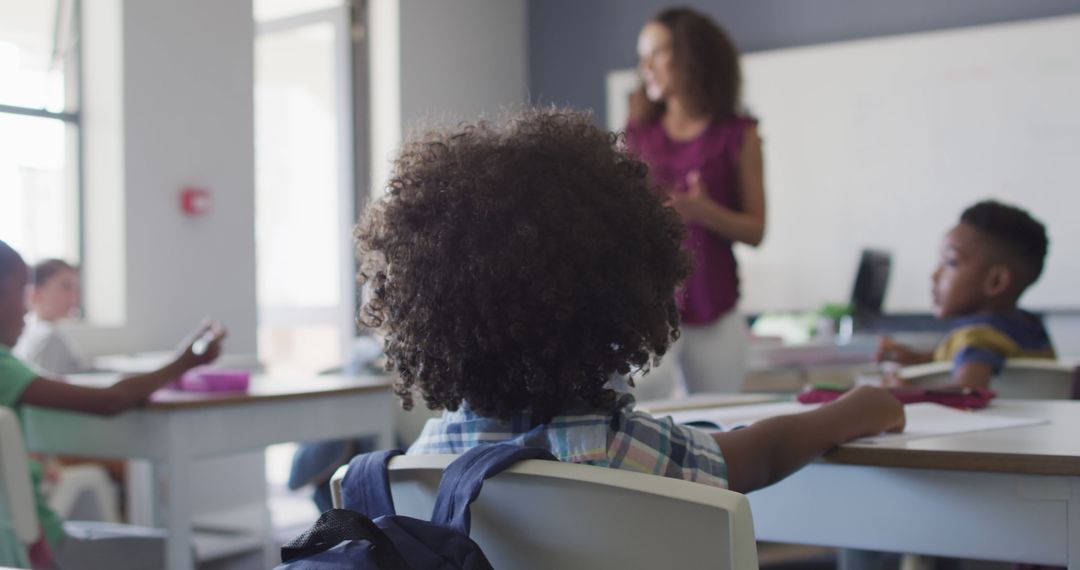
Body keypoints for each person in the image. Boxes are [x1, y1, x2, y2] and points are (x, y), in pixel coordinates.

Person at [355, 108, 903, 495]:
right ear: (619, 293)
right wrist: (854, 408)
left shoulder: (423, 457)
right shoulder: (613, 450)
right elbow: (760, 454)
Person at [0, 239, 225, 569]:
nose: (25, 308)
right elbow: (110, 401)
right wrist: (185, 361)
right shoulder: (5, 367)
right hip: (36, 549)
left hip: (15, 545)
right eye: (21, 291)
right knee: (178, 552)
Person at [625, 7, 766, 399]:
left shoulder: (739, 135)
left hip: (714, 305)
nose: (645, 67)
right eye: (641, 57)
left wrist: (704, 212)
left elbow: (756, 230)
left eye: (655, 54)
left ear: (689, 53)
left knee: (717, 421)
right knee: (640, 411)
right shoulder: (638, 134)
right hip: (649, 305)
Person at [875, 200, 1054, 389]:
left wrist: (907, 392)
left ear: (996, 281)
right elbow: (972, 358)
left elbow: (968, 393)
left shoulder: (976, 337)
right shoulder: (1029, 328)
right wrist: (919, 358)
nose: (935, 274)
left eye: (951, 262)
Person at [14, 259, 87, 375]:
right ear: (36, 293)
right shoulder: (48, 337)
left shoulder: (30, 330)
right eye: (66, 287)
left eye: (76, 289)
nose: (74, 296)